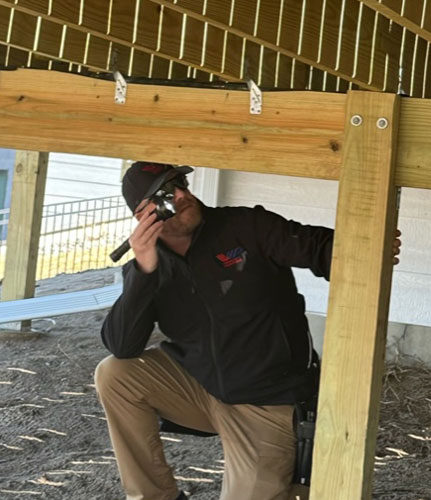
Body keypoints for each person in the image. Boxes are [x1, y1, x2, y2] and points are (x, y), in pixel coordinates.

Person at [94, 161, 400, 500]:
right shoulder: (147, 266)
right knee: (114, 374)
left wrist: (367, 246)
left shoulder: (245, 226)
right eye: (166, 193)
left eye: (180, 183)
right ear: (144, 215)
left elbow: (318, 247)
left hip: (265, 402)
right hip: (202, 386)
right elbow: (122, 344)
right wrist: (143, 270)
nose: (182, 194)